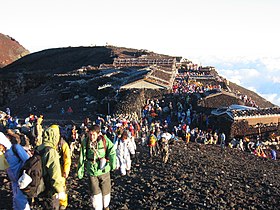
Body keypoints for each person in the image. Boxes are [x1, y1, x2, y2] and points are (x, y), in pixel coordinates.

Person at [78, 124, 117, 210]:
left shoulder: (105, 140)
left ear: (98, 134)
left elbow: (112, 152)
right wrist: (80, 170)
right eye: (90, 134)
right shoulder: (85, 142)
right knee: (95, 193)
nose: (92, 137)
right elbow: (82, 156)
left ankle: (106, 206)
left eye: (94, 135)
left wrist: (112, 164)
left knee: (106, 192)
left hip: (104, 170)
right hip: (91, 170)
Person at [37, 125, 66, 210]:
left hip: (40, 187)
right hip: (50, 189)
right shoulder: (51, 152)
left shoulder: (39, 148)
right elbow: (55, 175)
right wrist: (60, 191)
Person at [0, 131, 31, 210]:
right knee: (16, 200)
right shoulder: (3, 154)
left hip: (21, 180)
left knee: (21, 201)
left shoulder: (15, 148)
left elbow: (28, 162)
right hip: (14, 181)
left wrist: (25, 176)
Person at [56, 126, 71, 210]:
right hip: (56, 168)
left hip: (60, 169)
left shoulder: (63, 144)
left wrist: (66, 170)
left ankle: (62, 203)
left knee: (61, 186)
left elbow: (67, 158)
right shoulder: (49, 143)